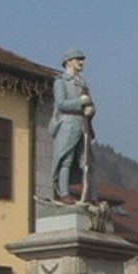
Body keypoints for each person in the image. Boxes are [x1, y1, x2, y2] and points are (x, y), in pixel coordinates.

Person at [49, 47, 96, 203]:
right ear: (69, 61)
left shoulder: (83, 83)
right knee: (65, 159)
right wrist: (80, 102)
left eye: (82, 59)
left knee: (87, 162)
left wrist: (91, 110)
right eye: (78, 59)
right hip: (67, 123)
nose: (81, 62)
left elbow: (90, 103)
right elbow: (61, 104)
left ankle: (90, 195)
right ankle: (63, 193)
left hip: (82, 124)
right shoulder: (61, 81)